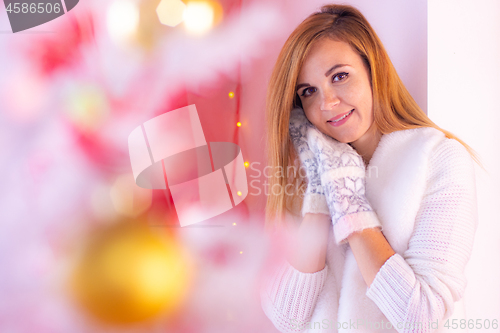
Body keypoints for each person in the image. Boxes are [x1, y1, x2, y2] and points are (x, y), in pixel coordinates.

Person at [260, 4, 480, 333]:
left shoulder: (438, 158)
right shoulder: (302, 177)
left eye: (340, 76)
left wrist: (348, 199)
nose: (327, 103)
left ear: (373, 69)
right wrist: (323, 189)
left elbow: (421, 317)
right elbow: (287, 317)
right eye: (309, 92)